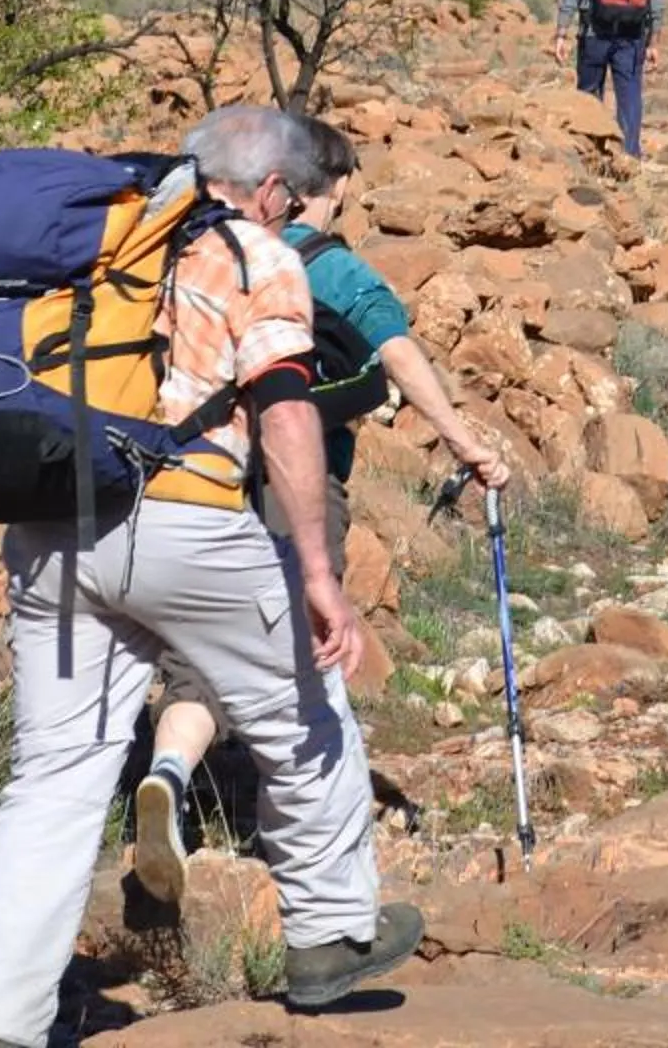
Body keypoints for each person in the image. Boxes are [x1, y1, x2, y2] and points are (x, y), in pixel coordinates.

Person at [0, 107, 420, 1047]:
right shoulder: (253, 253)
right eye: (293, 197)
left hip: (53, 527)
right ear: (273, 189)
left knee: (54, 779)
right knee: (305, 713)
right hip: (188, 523)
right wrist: (317, 570)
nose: (292, 209)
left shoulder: (101, 241)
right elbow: (285, 411)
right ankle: (330, 935)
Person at [129, 114, 512, 899]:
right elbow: (396, 353)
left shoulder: (194, 250)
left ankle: (167, 772)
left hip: (198, 480)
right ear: (322, 187)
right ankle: (304, 861)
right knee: (307, 654)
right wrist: (463, 441)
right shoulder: (329, 267)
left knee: (197, 662)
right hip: (296, 484)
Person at [552, 0, 664, 158]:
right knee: (630, 96)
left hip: (594, 33)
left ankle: (591, 153)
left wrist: (561, 34)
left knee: (590, 94)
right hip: (632, 34)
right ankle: (629, 156)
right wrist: (654, 43)